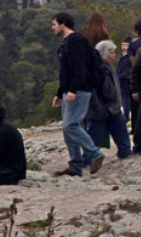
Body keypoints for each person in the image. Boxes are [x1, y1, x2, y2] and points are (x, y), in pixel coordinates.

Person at [51, 12, 104, 177]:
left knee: (71, 125)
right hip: (70, 90)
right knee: (68, 130)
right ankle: (75, 165)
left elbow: (80, 69)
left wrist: (73, 90)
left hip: (79, 91)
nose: (52, 27)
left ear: (63, 24)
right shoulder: (66, 42)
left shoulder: (75, 40)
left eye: (54, 24)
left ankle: (95, 154)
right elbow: (65, 71)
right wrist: (60, 93)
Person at [87, 41, 133, 160]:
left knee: (120, 125)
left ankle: (125, 151)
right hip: (100, 108)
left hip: (112, 106)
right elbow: (92, 90)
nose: (114, 55)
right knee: (95, 135)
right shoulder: (95, 69)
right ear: (103, 54)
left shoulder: (108, 66)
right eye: (111, 53)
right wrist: (98, 108)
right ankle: (88, 159)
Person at [116, 38, 134, 124]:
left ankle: (127, 117)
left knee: (127, 102)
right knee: (123, 101)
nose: (124, 47)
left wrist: (119, 76)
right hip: (121, 83)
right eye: (123, 45)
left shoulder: (128, 57)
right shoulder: (122, 56)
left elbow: (128, 70)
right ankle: (125, 117)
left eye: (126, 45)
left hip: (126, 83)